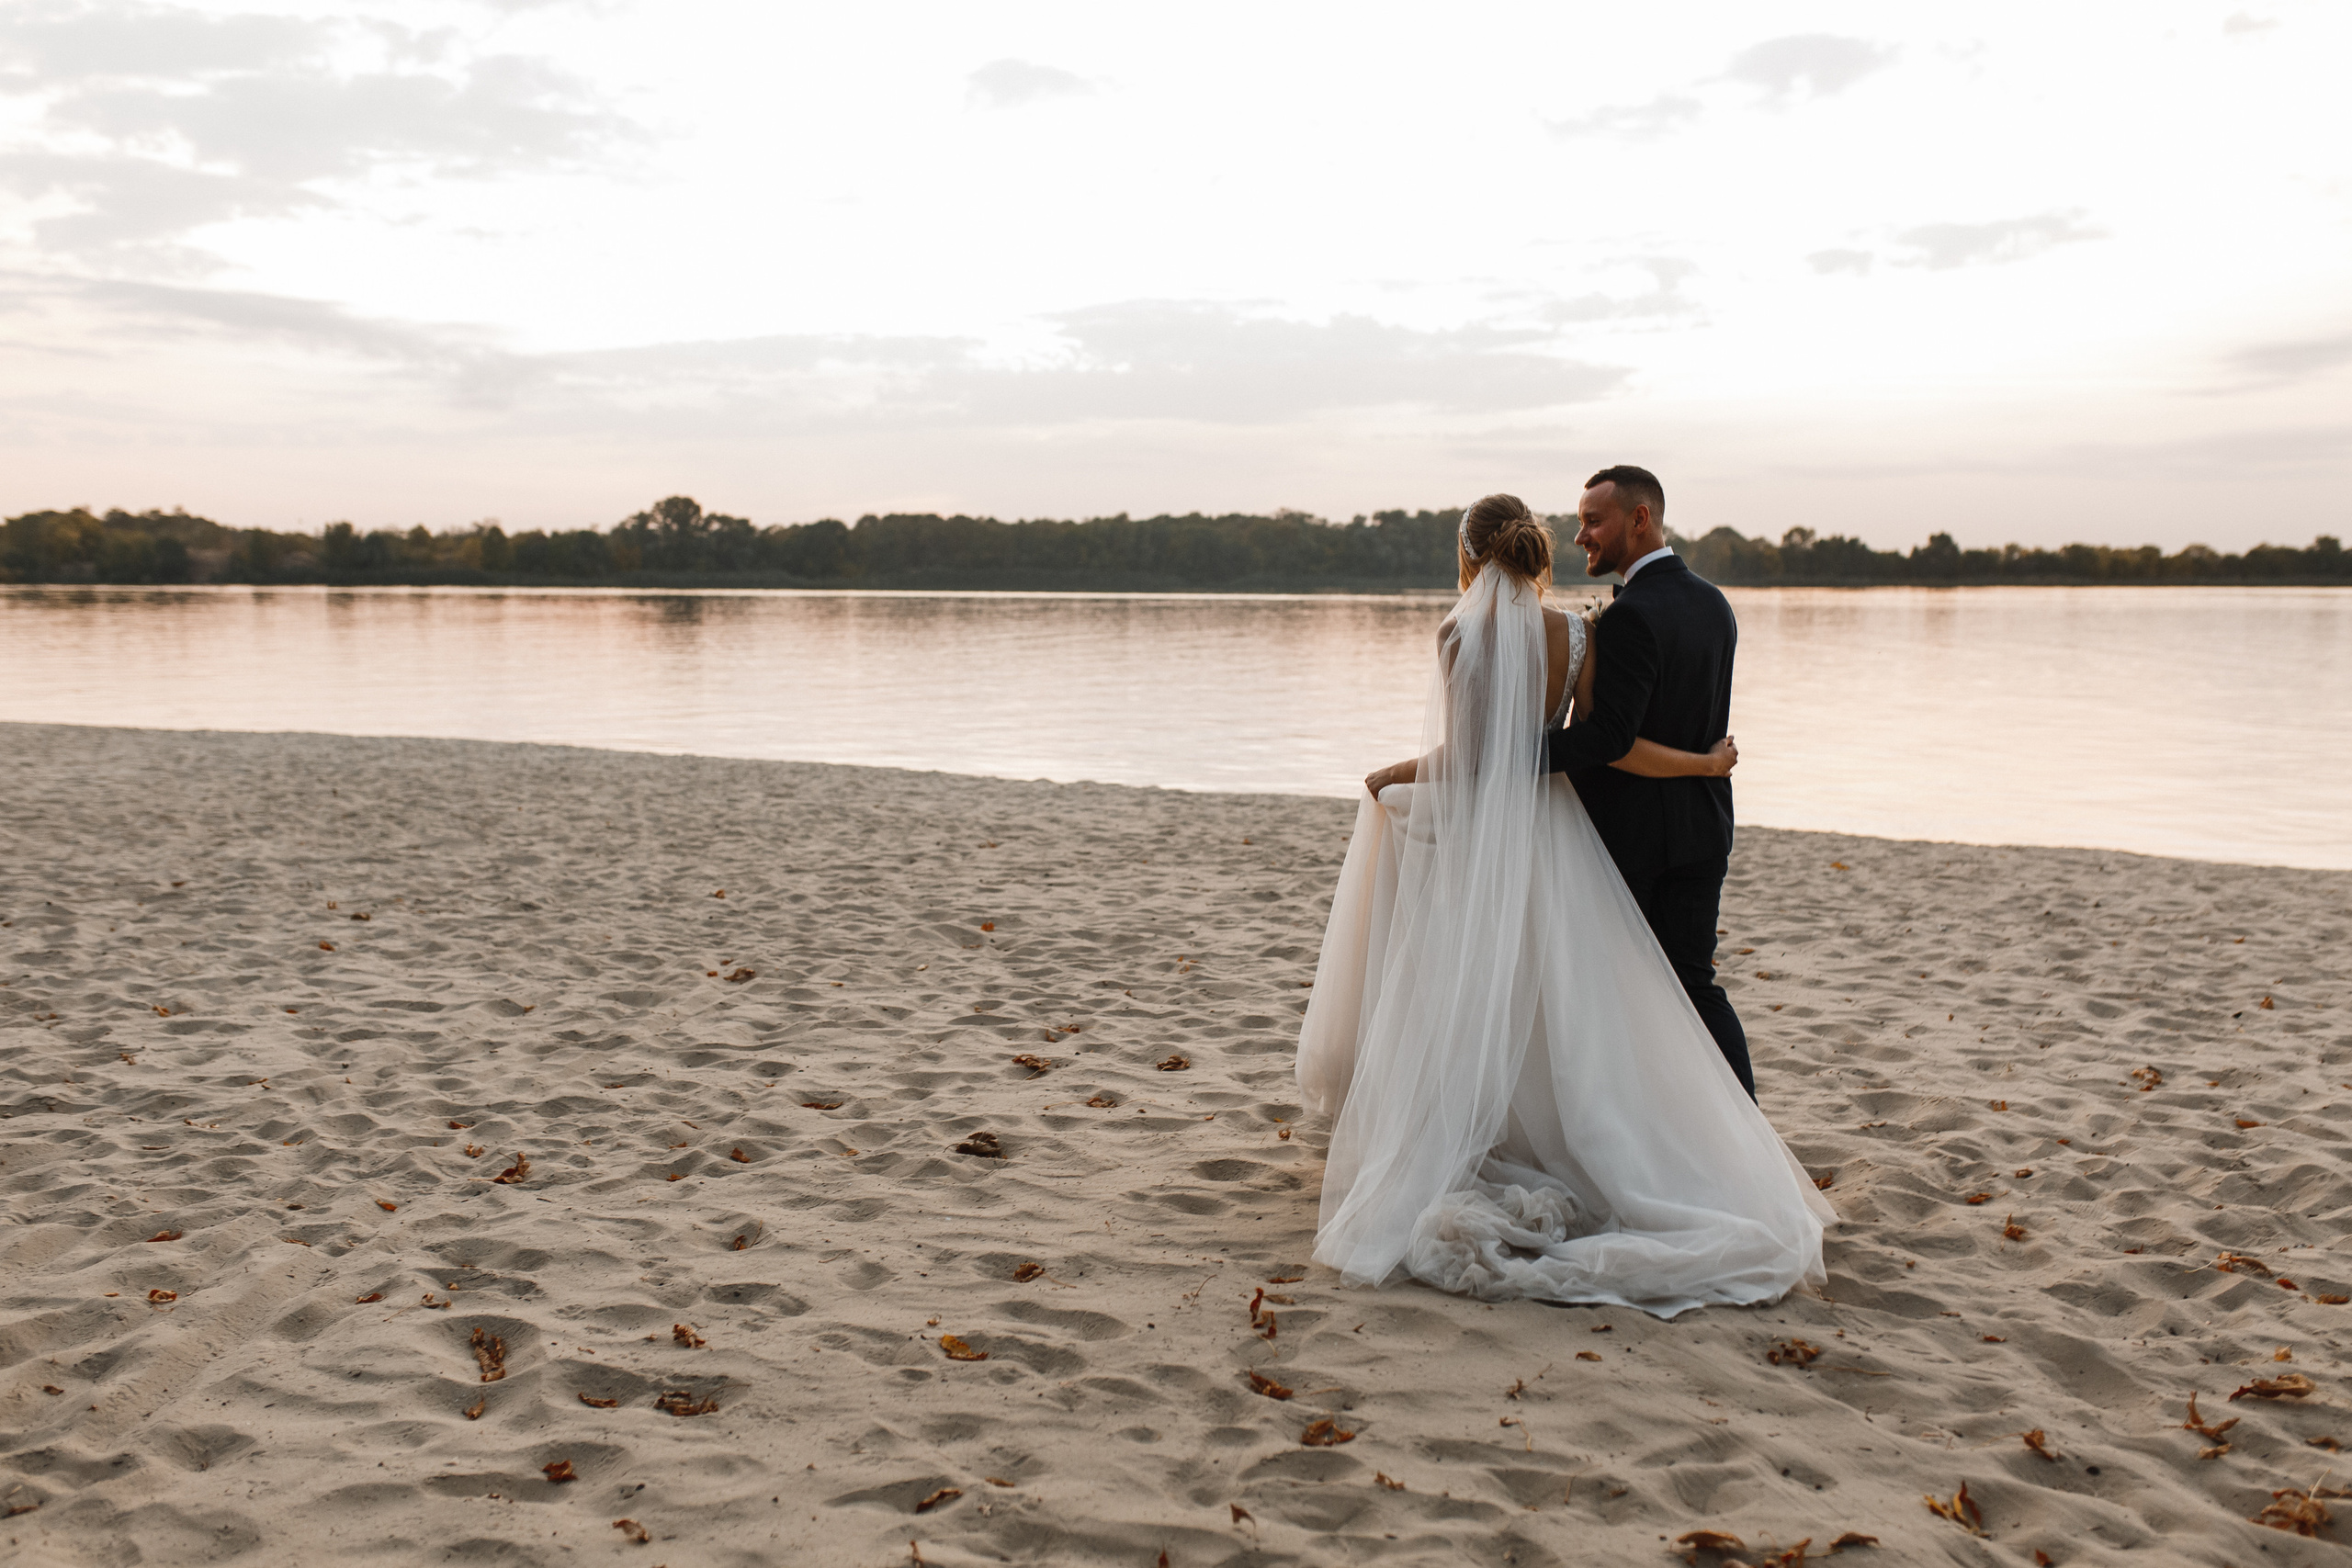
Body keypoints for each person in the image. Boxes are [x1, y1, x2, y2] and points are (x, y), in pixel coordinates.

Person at [1296, 492, 1828, 1316]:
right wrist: (1700, 763)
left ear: (1471, 555)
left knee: (1470, 974)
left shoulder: (1457, 634)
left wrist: (1394, 773)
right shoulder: (1579, 631)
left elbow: (1468, 758)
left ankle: (1484, 1127)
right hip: (1559, 829)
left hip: (1494, 828)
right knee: (1569, 995)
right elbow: (1607, 744)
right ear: (1534, 550)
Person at [1546, 466, 1753, 1097]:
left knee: (1618, 986)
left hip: (1638, 839)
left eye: (1593, 520)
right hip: (1704, 827)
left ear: (1639, 519)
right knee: (1694, 982)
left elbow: (1609, 738)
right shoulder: (1713, 602)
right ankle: (1743, 1125)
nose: (1581, 535)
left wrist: (1508, 752)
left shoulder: (1632, 615)